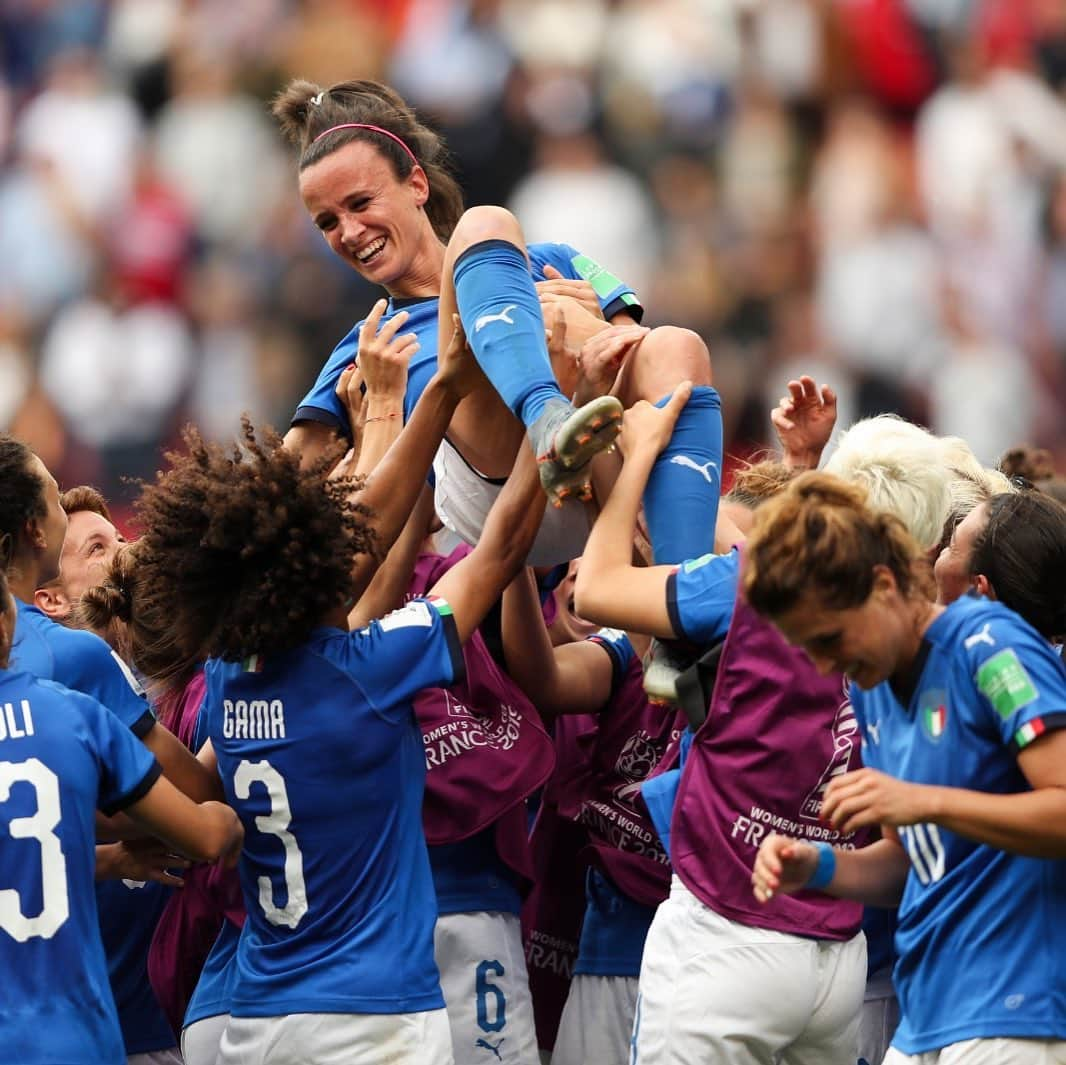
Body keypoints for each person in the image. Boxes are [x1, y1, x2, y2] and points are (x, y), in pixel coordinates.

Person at [105, 328, 549, 1063]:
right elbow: (497, 551)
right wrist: (542, 416)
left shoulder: (226, 674)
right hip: (376, 1019)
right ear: (312, 568)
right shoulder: (374, 667)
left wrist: (407, 407)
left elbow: (360, 538)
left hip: (261, 1018)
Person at [274, 77, 722, 583]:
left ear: (416, 185)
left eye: (360, 203)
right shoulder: (371, 343)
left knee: (679, 345)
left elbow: (637, 360)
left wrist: (575, 330)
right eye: (327, 222)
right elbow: (277, 490)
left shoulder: (553, 261)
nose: (350, 233)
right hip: (496, 498)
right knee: (484, 223)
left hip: (600, 478)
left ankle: (685, 608)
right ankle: (546, 417)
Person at [746, 473, 1066, 1065]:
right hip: (926, 1016)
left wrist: (923, 801)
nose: (823, 663)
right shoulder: (872, 689)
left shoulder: (989, 644)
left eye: (830, 636)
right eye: (807, 646)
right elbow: (908, 863)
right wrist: (818, 865)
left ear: (885, 584)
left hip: (1015, 1010)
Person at [0, 562, 243, 1065]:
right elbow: (203, 833)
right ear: (7, 624)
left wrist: (111, 861)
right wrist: (235, 815)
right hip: (77, 1036)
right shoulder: (70, 711)